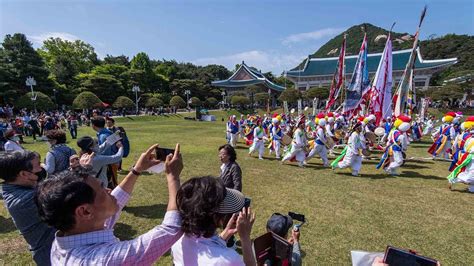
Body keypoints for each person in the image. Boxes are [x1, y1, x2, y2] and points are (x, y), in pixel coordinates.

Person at [35, 143, 184, 265]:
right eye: (102, 189)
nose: (109, 190)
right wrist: (173, 177)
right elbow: (172, 228)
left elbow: (114, 201)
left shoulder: (66, 238)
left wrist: (137, 170)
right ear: (85, 211)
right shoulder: (104, 260)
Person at [171, 176, 256, 266]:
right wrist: (245, 237)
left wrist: (225, 234)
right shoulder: (226, 260)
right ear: (216, 218)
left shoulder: (177, 241)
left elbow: (204, 243)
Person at [0, 150, 56, 265]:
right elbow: (63, 193)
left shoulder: (12, 186)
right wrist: (83, 171)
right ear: (24, 174)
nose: (41, 169)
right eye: (37, 166)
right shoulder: (26, 200)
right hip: (51, 255)